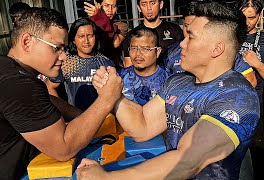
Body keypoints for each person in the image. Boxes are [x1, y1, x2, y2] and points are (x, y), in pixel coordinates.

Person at [77, 2, 260, 179]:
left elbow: (187, 161)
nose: (181, 43)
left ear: (217, 48)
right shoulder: (178, 81)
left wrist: (107, 178)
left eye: (191, 36)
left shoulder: (238, 97)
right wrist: (113, 95)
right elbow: (143, 126)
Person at [0, 7, 122, 179]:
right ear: (27, 42)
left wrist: (82, 116)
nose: (63, 56)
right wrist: (107, 98)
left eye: (65, 49)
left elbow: (45, 100)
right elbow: (64, 148)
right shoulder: (14, 82)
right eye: (57, 48)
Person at [163, 0, 257, 87]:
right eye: (186, 27)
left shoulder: (227, 55)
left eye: (193, 32)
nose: (188, 33)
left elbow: (250, 80)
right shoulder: (172, 52)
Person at [46, 18, 115, 110]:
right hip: (77, 118)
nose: (86, 41)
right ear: (74, 40)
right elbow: (50, 87)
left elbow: (114, 92)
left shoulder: (106, 62)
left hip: (103, 117)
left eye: (90, 35)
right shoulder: (67, 63)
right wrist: (65, 111)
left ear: (95, 37)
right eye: (81, 36)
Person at [239, 0, 264, 179]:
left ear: (260, 15)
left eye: (251, 17)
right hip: (232, 104)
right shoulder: (229, 37)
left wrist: (257, 64)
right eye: (242, 17)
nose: (247, 22)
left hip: (258, 106)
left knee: (257, 154)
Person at [123, 0, 184, 67]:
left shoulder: (175, 30)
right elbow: (128, 66)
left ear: (161, 4)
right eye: (144, 4)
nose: (149, 8)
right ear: (139, 8)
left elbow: (183, 58)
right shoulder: (132, 35)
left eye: (152, 3)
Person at [118, 27, 168, 106]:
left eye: (145, 49)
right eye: (134, 48)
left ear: (157, 52)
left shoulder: (169, 81)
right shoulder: (118, 78)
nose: (138, 53)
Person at [84, 0, 128, 70]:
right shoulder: (88, 25)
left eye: (113, 6)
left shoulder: (121, 26)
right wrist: (97, 18)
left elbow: (115, 43)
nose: (110, 10)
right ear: (99, 7)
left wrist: (100, 18)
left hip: (113, 68)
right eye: (106, 5)